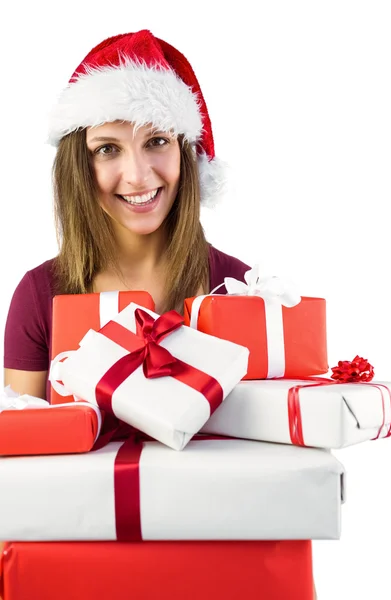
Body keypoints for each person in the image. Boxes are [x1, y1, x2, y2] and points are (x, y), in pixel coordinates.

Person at [3, 30, 250, 401]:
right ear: (79, 167)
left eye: (157, 141)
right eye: (107, 149)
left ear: (187, 154)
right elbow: (22, 451)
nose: (136, 175)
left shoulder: (239, 287)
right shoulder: (39, 296)